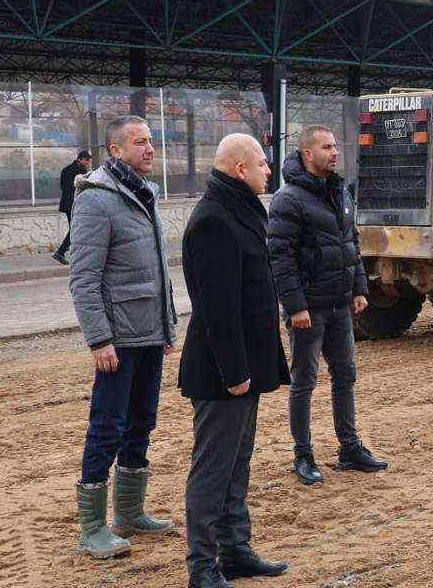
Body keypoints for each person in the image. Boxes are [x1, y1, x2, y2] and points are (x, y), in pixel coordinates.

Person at [180, 133, 289, 588]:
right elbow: (217, 309)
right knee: (213, 469)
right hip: (225, 372)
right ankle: (202, 567)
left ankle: (236, 551)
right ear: (240, 169)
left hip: (246, 368)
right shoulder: (214, 220)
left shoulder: (240, 211)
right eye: (263, 164)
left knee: (237, 463)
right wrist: (236, 372)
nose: (270, 170)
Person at [68, 117, 177, 559]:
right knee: (106, 427)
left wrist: (167, 326)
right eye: (140, 142)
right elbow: (84, 277)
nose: (150, 148)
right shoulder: (96, 200)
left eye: (151, 141)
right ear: (116, 150)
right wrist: (99, 340)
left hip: (149, 335)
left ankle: (129, 513)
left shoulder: (144, 192)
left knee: (141, 423)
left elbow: (159, 270)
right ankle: (92, 526)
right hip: (118, 340)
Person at [267, 125, 386, 486]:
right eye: (326, 147)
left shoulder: (340, 191)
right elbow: (280, 257)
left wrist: (359, 288)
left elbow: (351, 242)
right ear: (307, 154)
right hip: (309, 311)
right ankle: (303, 455)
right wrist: (295, 305)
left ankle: (349, 448)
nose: (334, 152)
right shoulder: (289, 199)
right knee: (304, 379)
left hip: (339, 305)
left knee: (345, 376)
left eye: (335, 145)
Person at [54, 150, 92, 264]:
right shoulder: (81, 170)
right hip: (76, 203)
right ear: (83, 159)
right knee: (76, 229)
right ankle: (60, 252)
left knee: (76, 228)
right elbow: (84, 188)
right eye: (88, 161)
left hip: (66, 203)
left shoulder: (65, 170)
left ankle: (75, 253)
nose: (88, 164)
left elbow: (62, 187)